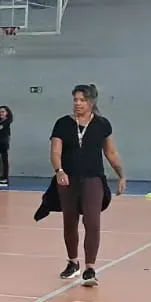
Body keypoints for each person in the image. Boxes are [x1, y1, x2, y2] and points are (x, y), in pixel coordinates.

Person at [44, 85, 125, 286]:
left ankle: (90, 268)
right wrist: (59, 170)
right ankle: (73, 262)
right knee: (70, 221)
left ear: (91, 102)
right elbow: (55, 151)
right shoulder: (63, 123)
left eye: (81, 100)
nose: (77, 103)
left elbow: (111, 153)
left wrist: (121, 175)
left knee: (92, 221)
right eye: (75, 99)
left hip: (93, 178)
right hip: (68, 179)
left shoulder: (102, 124)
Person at [0, 106, 14, 186]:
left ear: (7, 113)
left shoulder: (7, 121)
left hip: (4, 142)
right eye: (0, 112)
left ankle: (5, 179)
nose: (1, 113)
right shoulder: (0, 121)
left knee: (4, 160)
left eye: (3, 112)